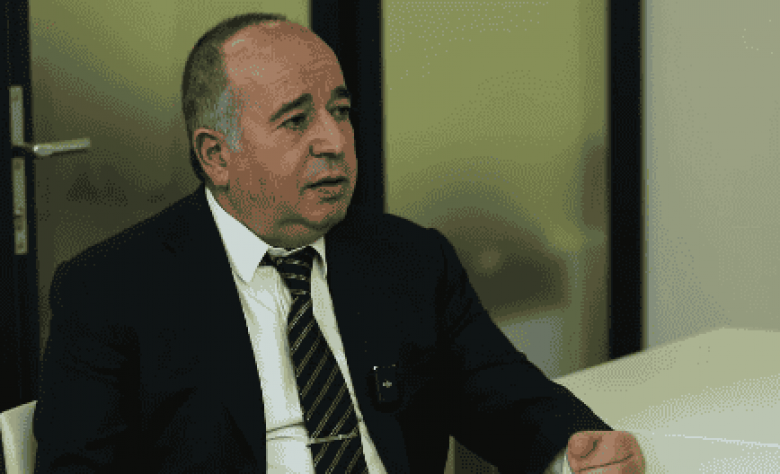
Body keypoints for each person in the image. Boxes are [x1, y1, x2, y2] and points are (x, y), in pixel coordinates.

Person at [33, 12, 645, 474]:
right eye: (296, 120)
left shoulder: (410, 259)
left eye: (342, 111)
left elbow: (502, 394)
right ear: (216, 156)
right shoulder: (110, 292)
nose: (334, 141)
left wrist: (578, 445)